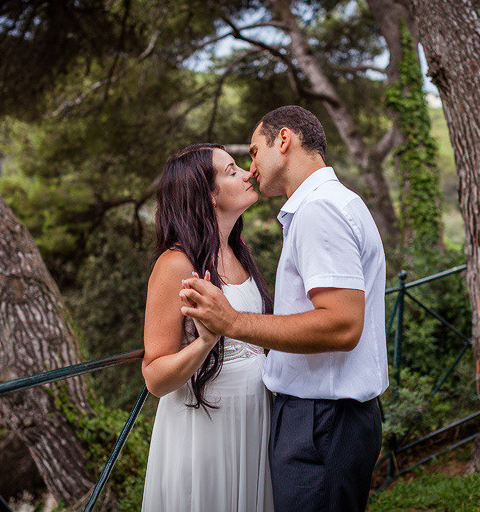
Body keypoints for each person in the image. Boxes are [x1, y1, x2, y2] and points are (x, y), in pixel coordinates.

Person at [180, 106, 389, 512]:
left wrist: (234, 322)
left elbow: (342, 325)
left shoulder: (318, 210)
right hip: (326, 419)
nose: (251, 167)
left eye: (254, 152)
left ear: (284, 140)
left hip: (321, 422)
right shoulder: (330, 202)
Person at [141, 143, 275, 512]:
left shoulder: (237, 251)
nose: (248, 173)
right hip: (205, 429)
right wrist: (203, 345)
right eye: (232, 171)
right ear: (208, 195)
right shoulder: (175, 264)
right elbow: (154, 377)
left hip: (254, 420)